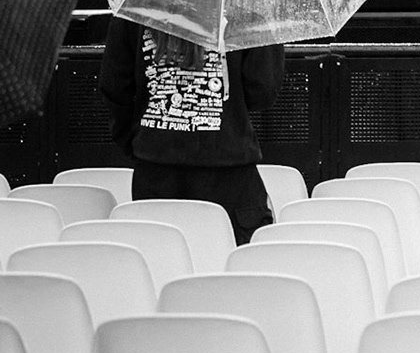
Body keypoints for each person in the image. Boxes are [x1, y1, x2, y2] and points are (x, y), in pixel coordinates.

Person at [100, 15, 284, 244]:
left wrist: (143, 143)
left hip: (155, 174)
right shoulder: (244, 10)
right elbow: (262, 92)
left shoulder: (135, 11)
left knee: (161, 268)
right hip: (230, 176)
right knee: (231, 273)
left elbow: (115, 88)